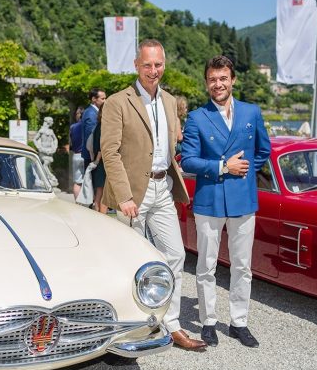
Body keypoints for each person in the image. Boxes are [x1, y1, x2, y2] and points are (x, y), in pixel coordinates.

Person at [101, 39, 206, 351]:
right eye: (146, 65)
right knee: (125, 259)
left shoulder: (171, 102)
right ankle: (125, 325)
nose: (153, 70)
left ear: (164, 65)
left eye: (158, 64)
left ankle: (169, 323)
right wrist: (123, 195)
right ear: (136, 65)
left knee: (175, 254)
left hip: (163, 188)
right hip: (131, 192)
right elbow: (110, 151)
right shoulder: (118, 102)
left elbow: (170, 148)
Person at [181, 55, 271, 349]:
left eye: (223, 78)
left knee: (242, 265)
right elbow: (189, 160)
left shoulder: (251, 112)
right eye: (212, 79)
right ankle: (208, 321)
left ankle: (239, 322)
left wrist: (242, 174)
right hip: (209, 200)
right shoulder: (196, 117)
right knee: (206, 265)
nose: (217, 84)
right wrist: (224, 167)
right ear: (206, 82)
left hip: (243, 200)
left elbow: (263, 150)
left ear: (232, 80)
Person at [81, 88, 106, 167]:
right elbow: (91, 138)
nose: (105, 101)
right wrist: (95, 159)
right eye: (102, 98)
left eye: (105, 98)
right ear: (94, 99)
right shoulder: (91, 114)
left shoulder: (92, 112)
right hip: (92, 157)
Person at [33, 116, 59, 187]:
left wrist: (54, 147)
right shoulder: (41, 130)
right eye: (52, 121)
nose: (52, 123)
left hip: (50, 150)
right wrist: (39, 148)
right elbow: (35, 139)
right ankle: (51, 177)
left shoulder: (51, 131)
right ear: (48, 122)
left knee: (48, 164)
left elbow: (55, 139)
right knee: (45, 164)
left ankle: (45, 178)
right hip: (43, 150)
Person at [91, 107, 108, 213]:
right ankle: (102, 216)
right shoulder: (104, 127)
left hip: (99, 162)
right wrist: (97, 161)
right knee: (103, 192)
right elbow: (102, 146)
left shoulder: (99, 125)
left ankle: (98, 214)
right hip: (102, 162)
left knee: (99, 191)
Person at [69, 107, 85, 200]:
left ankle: (78, 204)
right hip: (86, 155)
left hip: (76, 155)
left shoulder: (72, 127)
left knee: (77, 182)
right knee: (88, 181)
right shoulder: (88, 125)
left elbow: (71, 143)